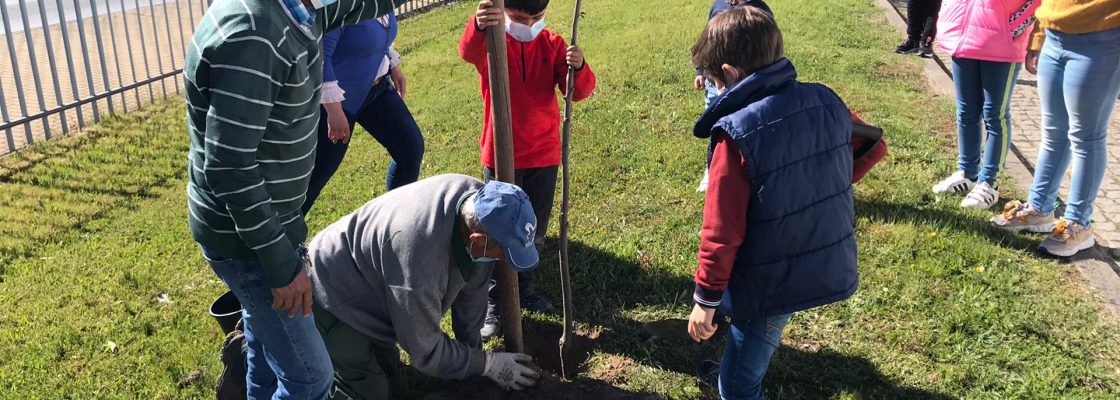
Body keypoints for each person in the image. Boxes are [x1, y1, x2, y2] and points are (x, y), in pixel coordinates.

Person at [184, 0, 397, 397]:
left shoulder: (302, 9)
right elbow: (229, 165)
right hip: (249, 242)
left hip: (266, 229)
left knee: (264, 349)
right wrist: (281, 264)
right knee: (310, 379)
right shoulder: (253, 35)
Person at [686, 8, 885, 399]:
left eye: (712, 82)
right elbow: (874, 145)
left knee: (739, 384)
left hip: (772, 278)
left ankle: (737, 379)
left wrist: (705, 302)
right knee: (752, 342)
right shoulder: (824, 99)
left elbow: (720, 233)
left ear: (729, 74)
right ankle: (737, 366)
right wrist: (816, 187)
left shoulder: (734, 136)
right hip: (815, 255)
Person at [308, 174, 542, 399]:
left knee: (391, 374)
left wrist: (474, 359)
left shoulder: (480, 204)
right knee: (372, 392)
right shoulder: (420, 262)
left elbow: (474, 288)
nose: (503, 262)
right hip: (331, 294)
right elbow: (425, 350)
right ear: (477, 241)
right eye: (502, 254)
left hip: (373, 279)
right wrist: (487, 364)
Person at [458, 0, 597, 337]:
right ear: (504, 11)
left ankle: (525, 288)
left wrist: (578, 67)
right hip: (501, 153)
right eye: (520, 17)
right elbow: (467, 50)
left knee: (532, 230)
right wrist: (479, 24)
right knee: (495, 230)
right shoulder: (493, 39)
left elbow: (577, 92)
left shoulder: (553, 44)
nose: (528, 24)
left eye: (536, 18)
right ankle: (495, 301)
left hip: (544, 155)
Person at [990, 0, 1120, 257]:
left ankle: (1078, 223)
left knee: (1086, 137)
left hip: (1102, 41)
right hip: (1054, 36)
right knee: (1053, 132)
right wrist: (1038, 37)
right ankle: (1039, 209)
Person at [303, 10, 425, 214]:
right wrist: (333, 110)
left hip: (375, 89)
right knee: (314, 178)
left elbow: (382, 32)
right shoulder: (339, 5)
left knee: (410, 148)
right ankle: (283, 240)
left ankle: (394, 222)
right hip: (337, 101)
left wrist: (393, 65)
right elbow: (320, 55)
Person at [929, 0, 1040, 209]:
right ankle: (967, 172)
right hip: (961, 34)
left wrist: (1016, 26)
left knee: (995, 114)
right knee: (966, 110)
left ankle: (989, 183)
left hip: (1001, 41)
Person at [692, 0, 772, 192]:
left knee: (746, 126)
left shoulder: (760, 10)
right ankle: (712, 170)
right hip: (714, 82)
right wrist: (700, 72)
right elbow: (707, 42)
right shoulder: (718, 6)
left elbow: (767, 48)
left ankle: (749, 169)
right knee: (717, 129)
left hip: (746, 86)